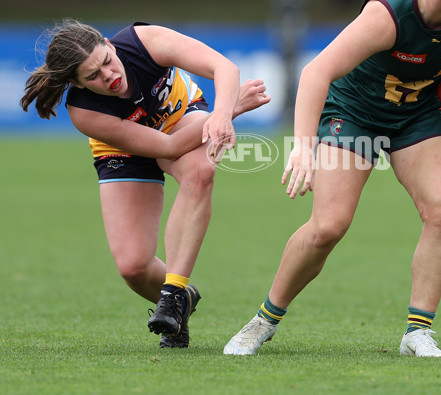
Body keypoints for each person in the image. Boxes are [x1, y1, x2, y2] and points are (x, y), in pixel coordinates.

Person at [224, 0, 441, 357]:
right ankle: (263, 321)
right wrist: (303, 148)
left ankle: (417, 333)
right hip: (355, 114)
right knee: (329, 226)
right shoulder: (386, 16)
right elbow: (315, 73)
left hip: (418, 114)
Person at [20, 19, 271, 348]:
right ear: (76, 83)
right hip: (126, 150)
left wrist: (222, 113)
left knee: (200, 172)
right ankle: (184, 300)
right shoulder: (85, 112)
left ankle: (172, 294)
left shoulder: (145, 41)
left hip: (180, 116)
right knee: (133, 267)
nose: (109, 76)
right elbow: (168, 149)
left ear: (110, 44)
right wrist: (235, 106)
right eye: (93, 76)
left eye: (107, 62)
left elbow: (224, 67)